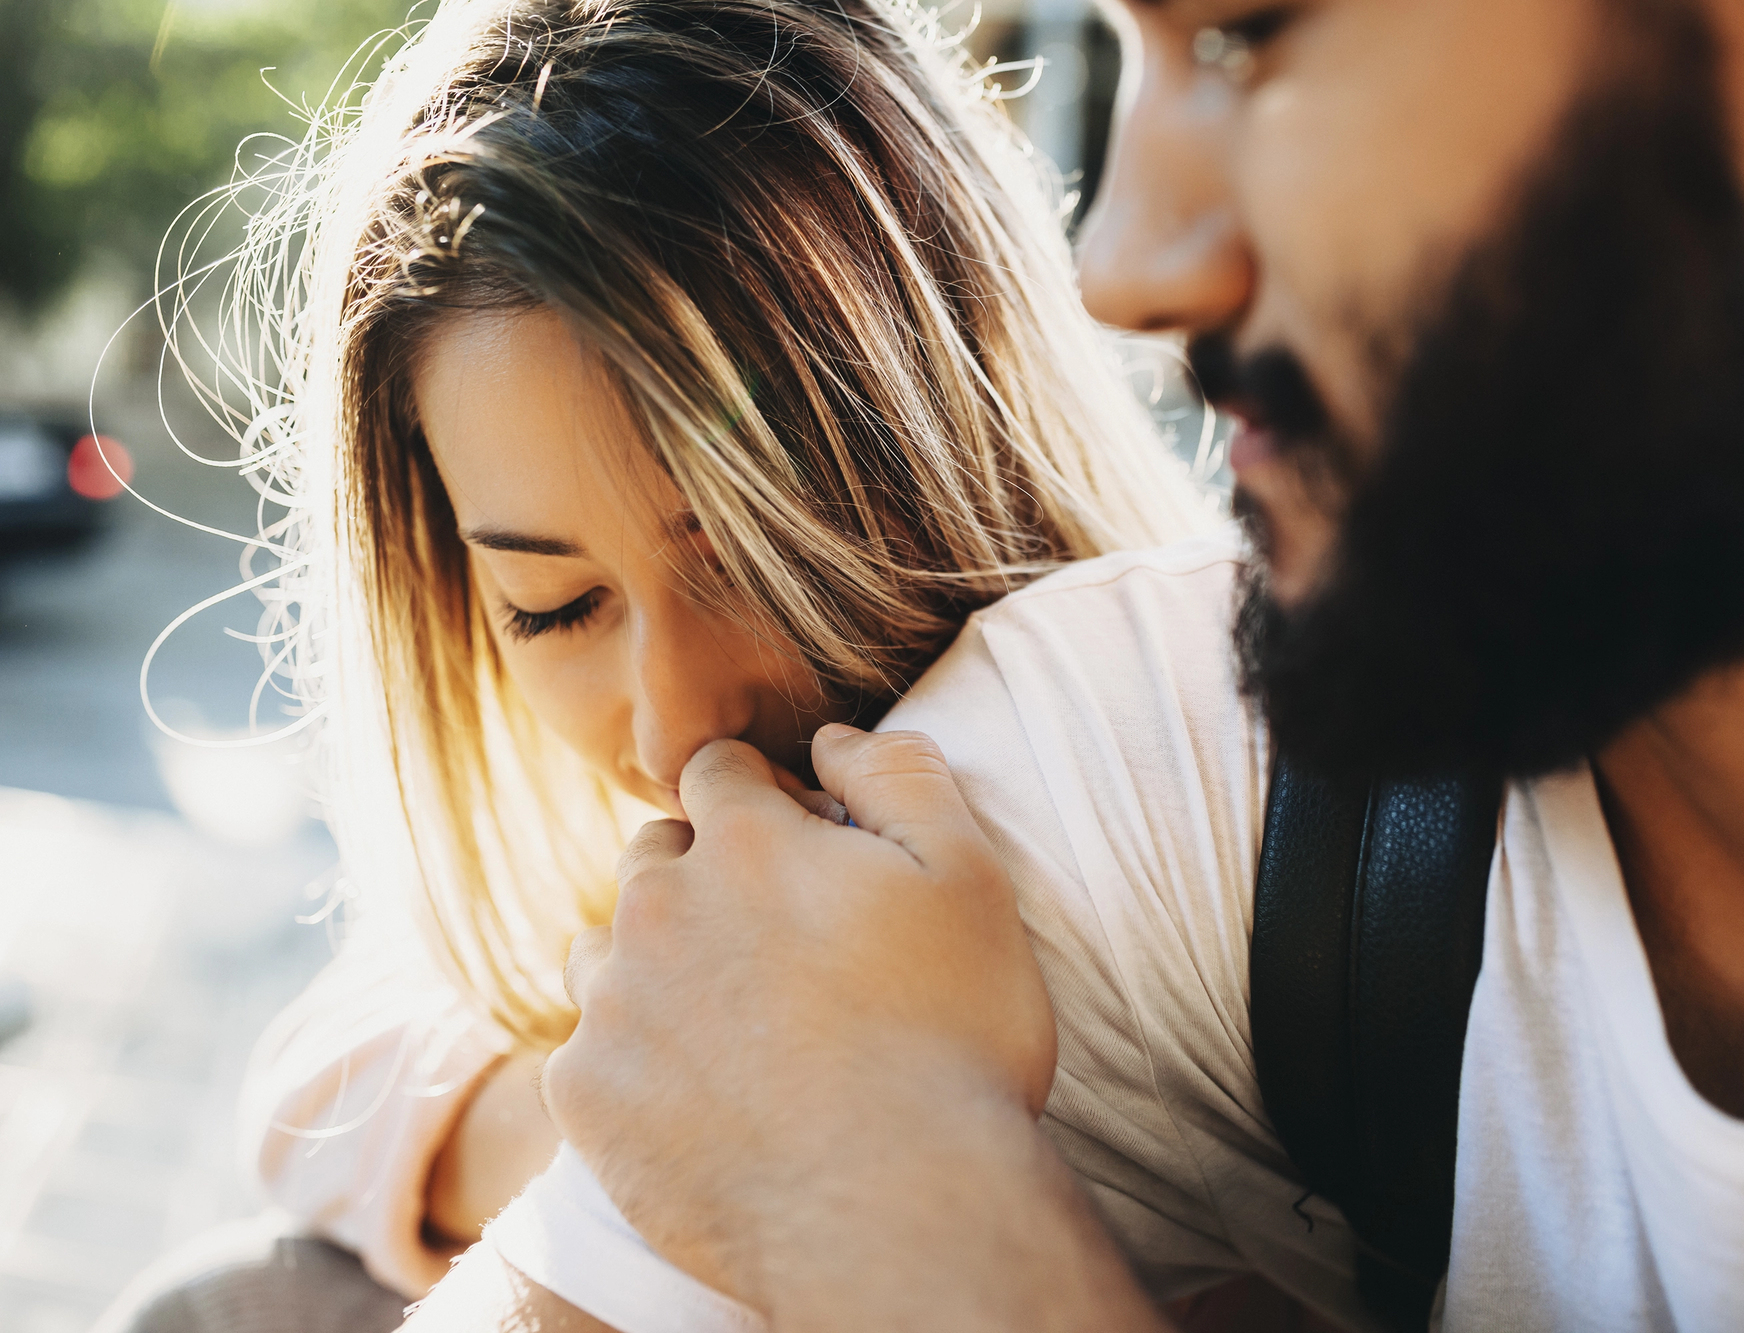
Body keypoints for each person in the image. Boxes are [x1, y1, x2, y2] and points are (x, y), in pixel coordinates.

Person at [406, 0, 1744, 1328]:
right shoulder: (1153, 746)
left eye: (1243, 33)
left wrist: (919, 1219)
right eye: (551, 605)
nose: (1119, 265)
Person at [99, 0, 1390, 1329]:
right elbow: (332, 1074)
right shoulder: (712, 863)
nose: (674, 725)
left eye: (742, 552)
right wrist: (649, 1105)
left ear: (944, 425)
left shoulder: (1092, 772)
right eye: (551, 607)